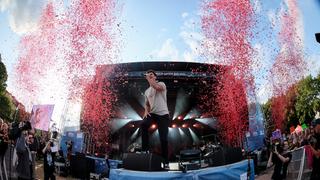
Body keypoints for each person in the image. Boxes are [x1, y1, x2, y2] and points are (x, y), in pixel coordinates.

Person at [140, 70, 170, 168]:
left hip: (163, 114)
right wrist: (145, 111)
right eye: (148, 75)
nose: (150, 76)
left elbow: (156, 87)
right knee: (143, 125)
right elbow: (147, 104)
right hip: (153, 113)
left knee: (163, 138)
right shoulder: (146, 91)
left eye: (152, 75)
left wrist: (150, 79)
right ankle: (145, 150)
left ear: (155, 77)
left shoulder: (161, 84)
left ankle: (166, 162)